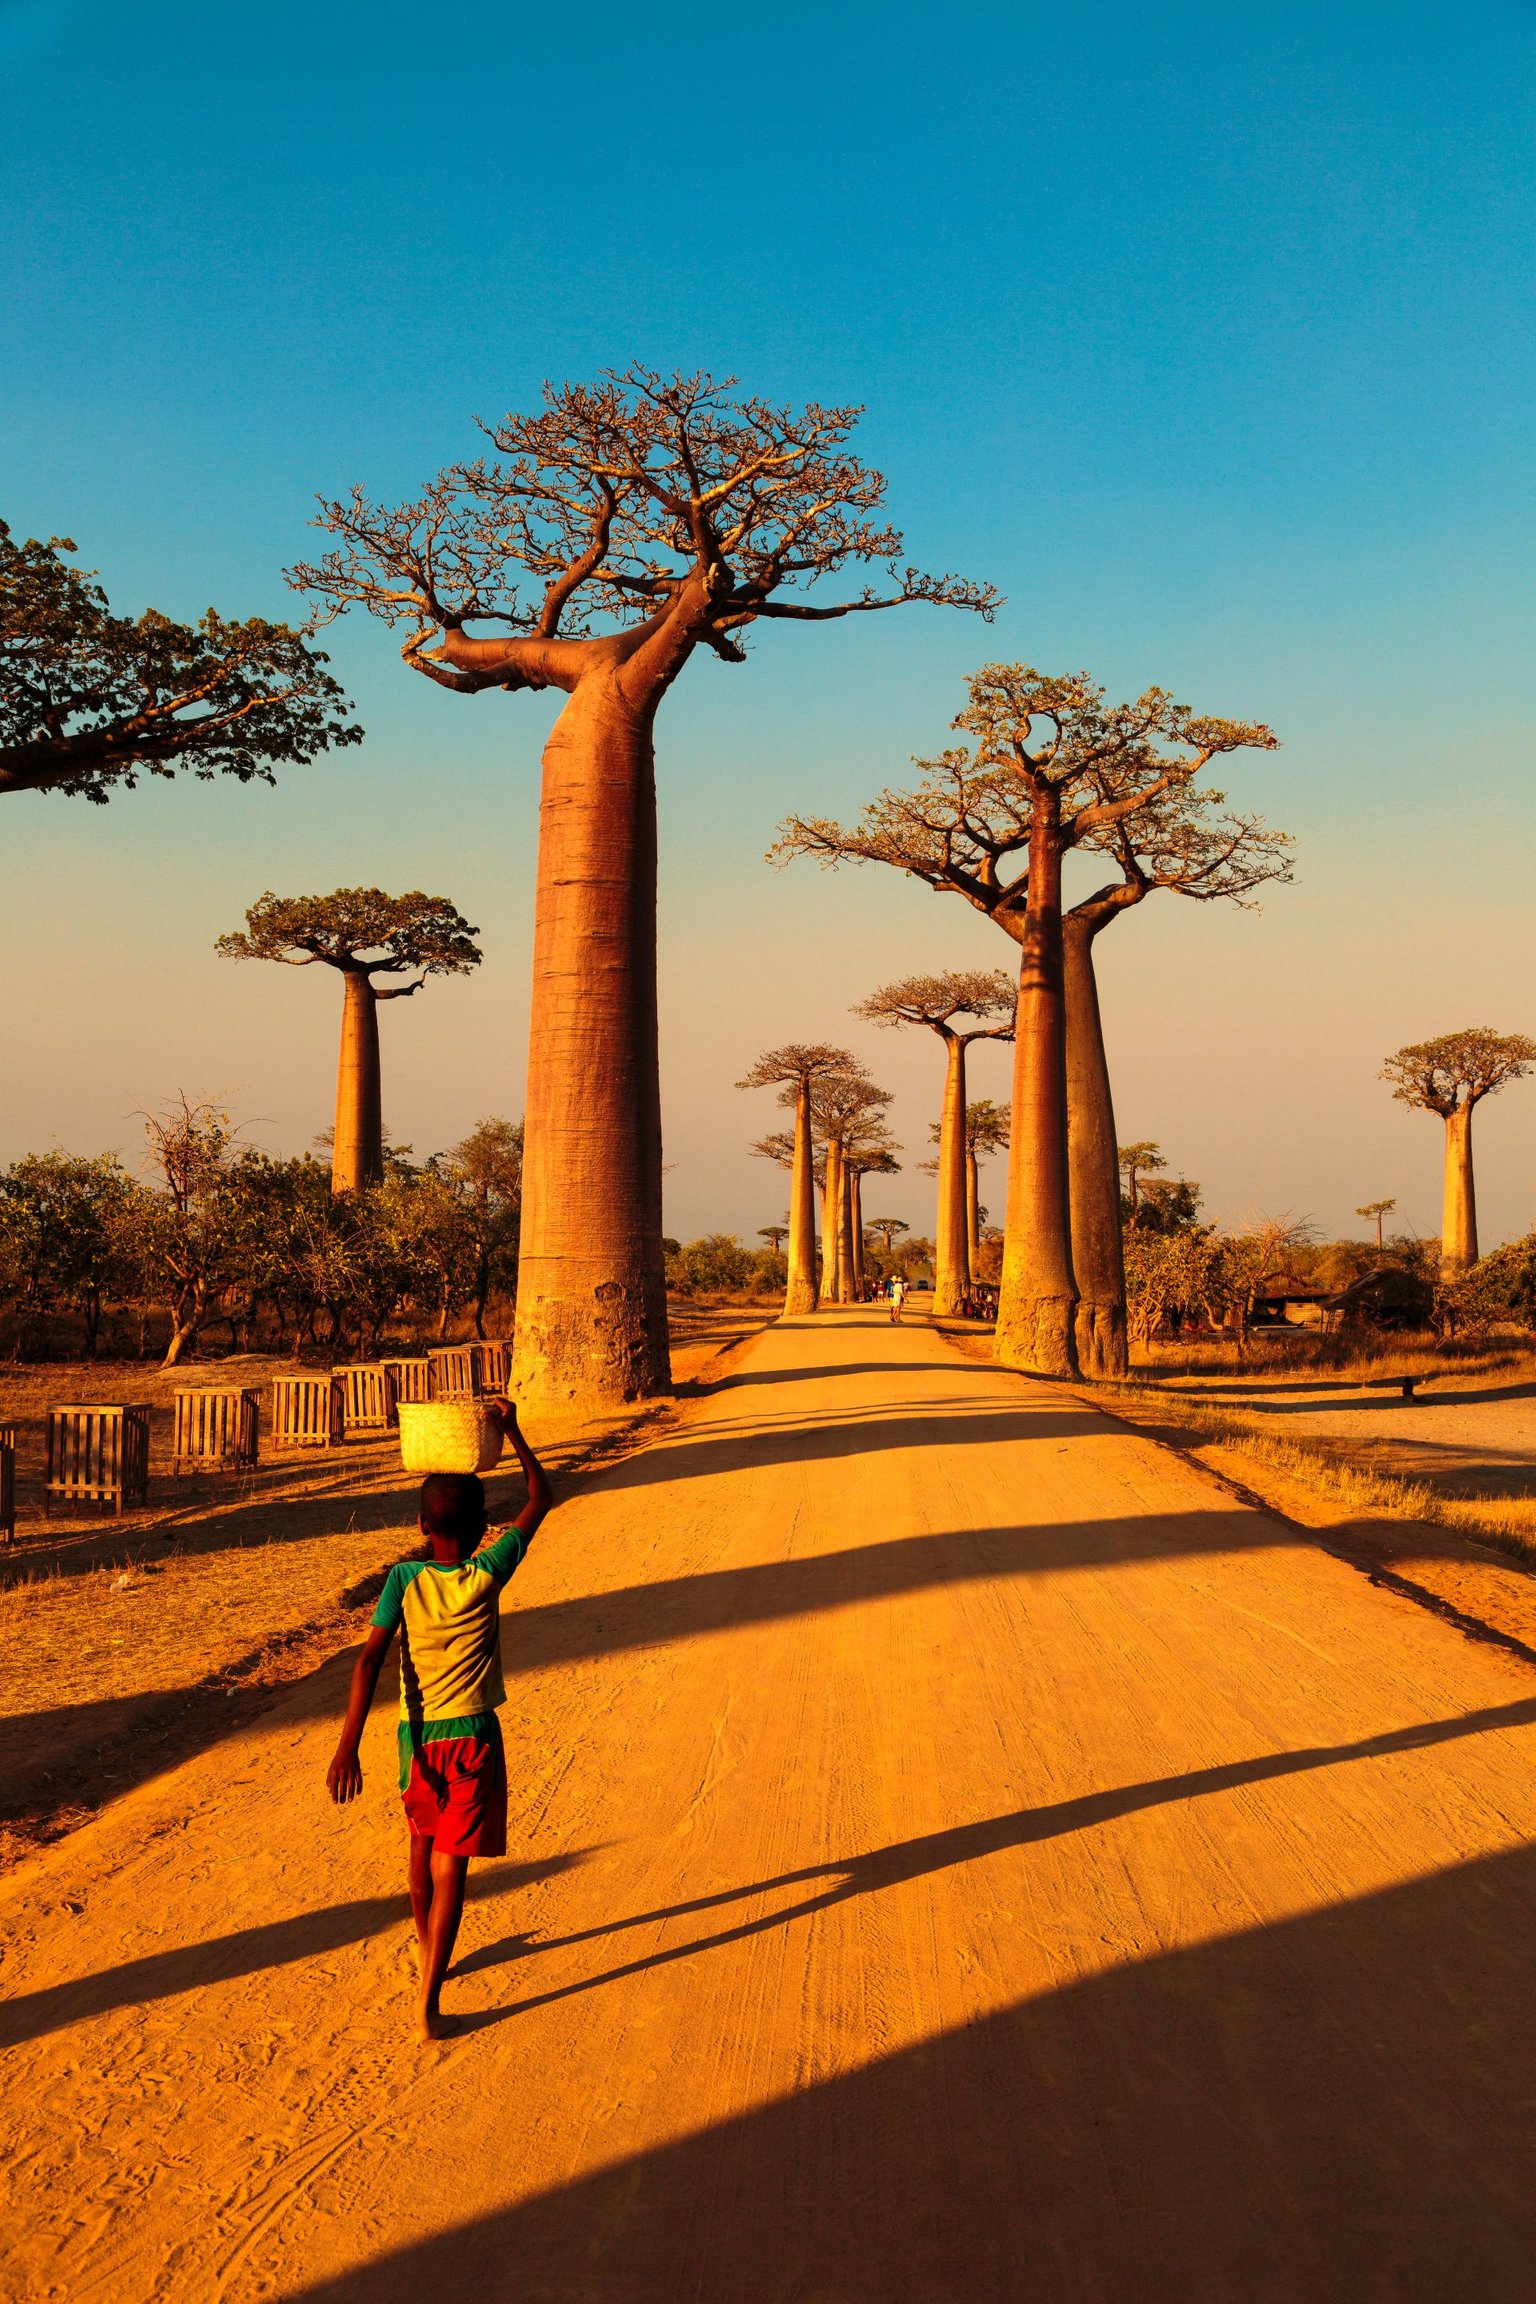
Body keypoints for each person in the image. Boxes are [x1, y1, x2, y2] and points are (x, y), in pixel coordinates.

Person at [325, 1398, 552, 2040]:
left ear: (422, 1525)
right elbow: (541, 1496)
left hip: (415, 1740)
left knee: (421, 1852)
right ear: (484, 1527)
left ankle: (428, 1948)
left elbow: (369, 1662)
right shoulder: (486, 1573)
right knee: (454, 1864)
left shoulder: (401, 1579)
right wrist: (511, 1429)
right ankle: (429, 1999)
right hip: (473, 1735)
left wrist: (347, 1747)